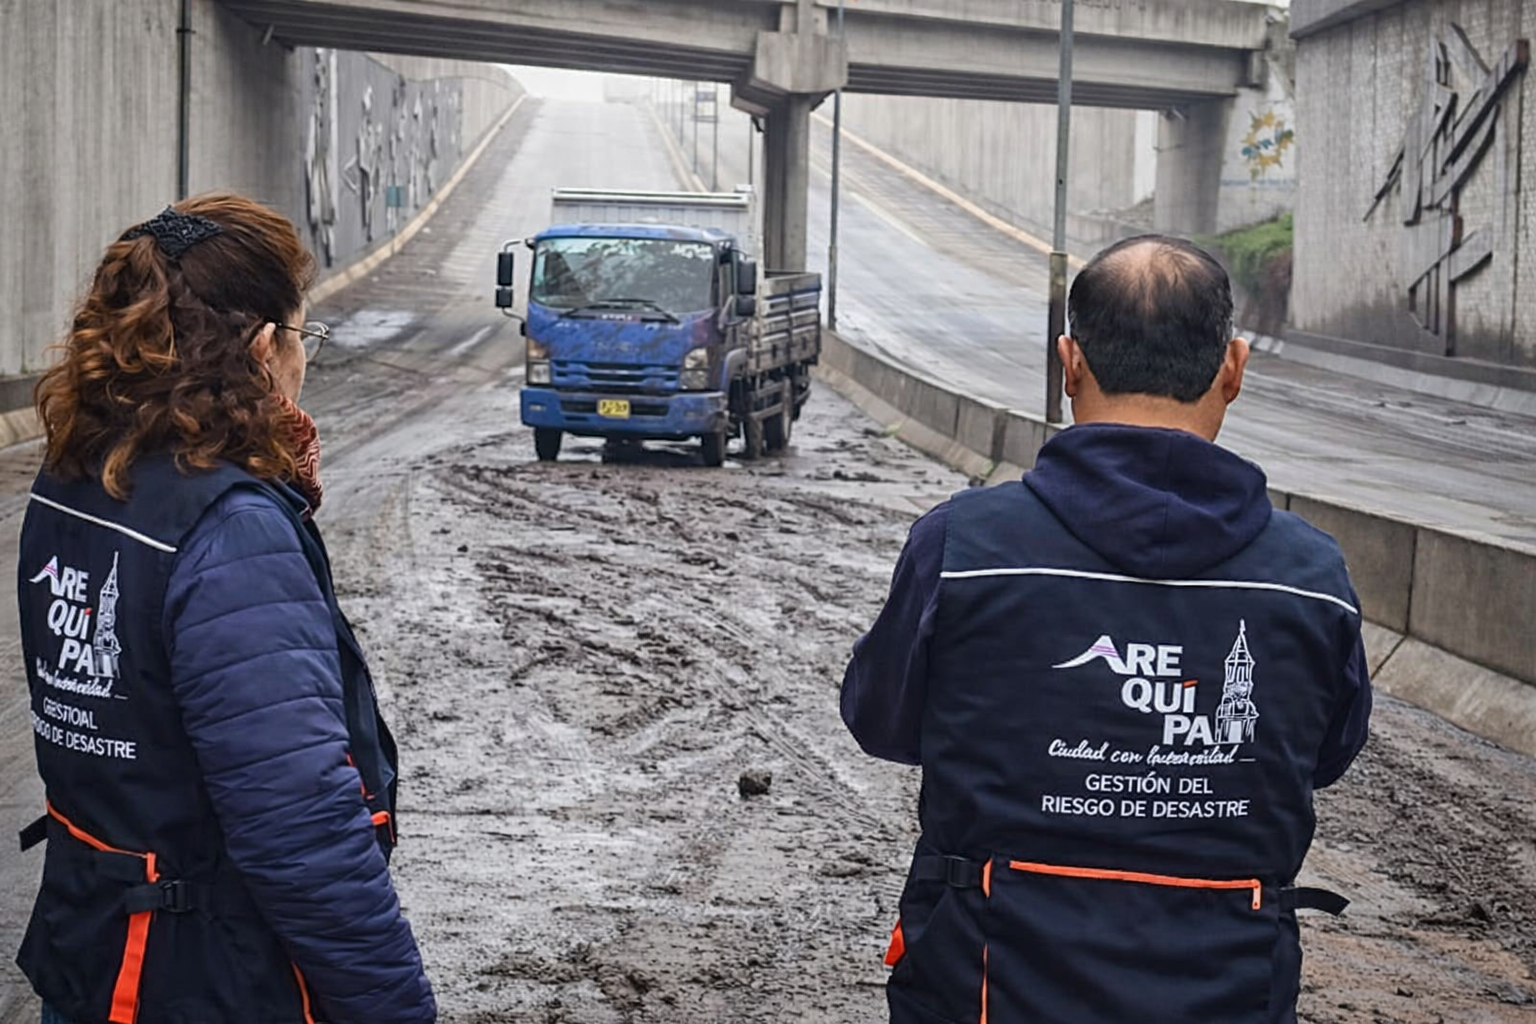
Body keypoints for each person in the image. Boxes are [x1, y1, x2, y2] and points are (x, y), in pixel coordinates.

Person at [841, 235, 1372, 1024]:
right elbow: (1324, 755)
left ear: (1070, 364)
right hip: (1229, 993)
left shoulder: (962, 546)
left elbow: (882, 721)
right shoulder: (1311, 576)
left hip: (983, 987)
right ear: (1233, 367)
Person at [16, 195, 436, 1023]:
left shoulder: (79, 476)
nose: (302, 363)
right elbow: (301, 828)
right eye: (303, 339)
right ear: (262, 346)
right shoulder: (232, 530)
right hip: (207, 979)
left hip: (97, 953)